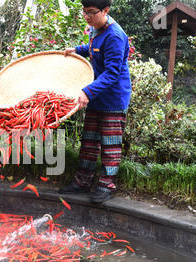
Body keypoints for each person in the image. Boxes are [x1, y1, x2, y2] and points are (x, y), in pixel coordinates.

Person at [59, 0, 132, 203]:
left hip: (113, 97)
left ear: (105, 11)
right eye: (85, 12)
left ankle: (106, 184)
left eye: (91, 13)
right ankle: (82, 181)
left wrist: (87, 92)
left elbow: (112, 73)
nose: (87, 17)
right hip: (96, 95)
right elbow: (93, 48)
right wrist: (76, 49)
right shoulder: (95, 28)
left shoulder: (115, 36)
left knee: (110, 142)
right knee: (89, 141)